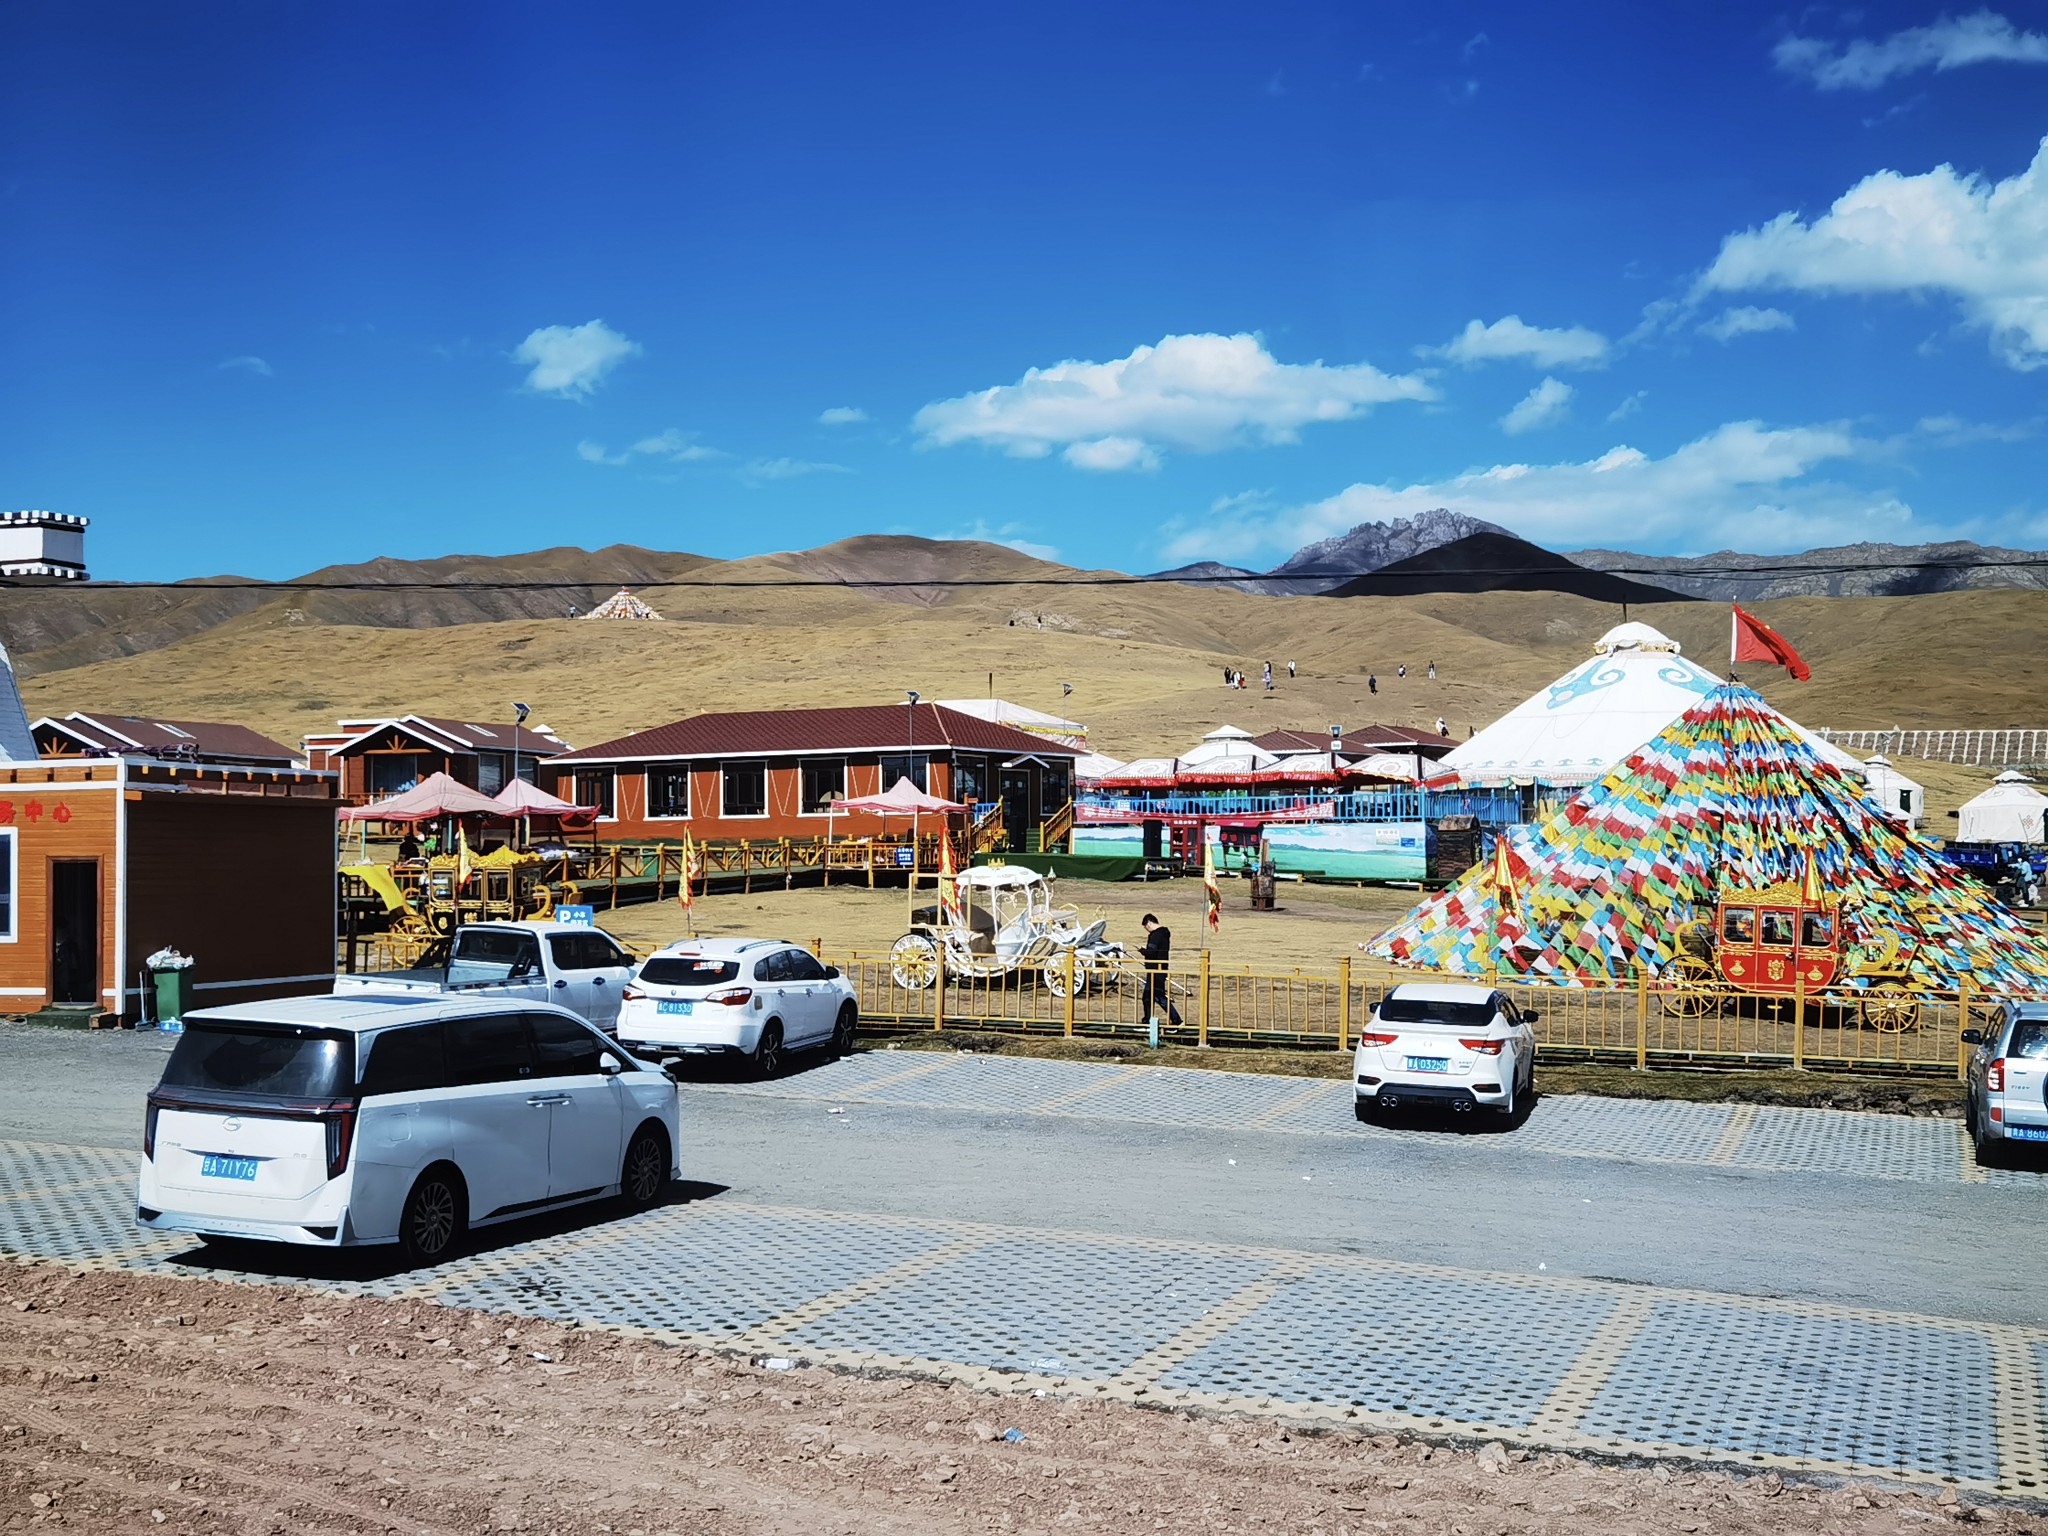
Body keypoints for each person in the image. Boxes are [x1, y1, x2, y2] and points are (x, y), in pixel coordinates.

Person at [1140, 914, 1182, 1027]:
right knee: (1149, 996)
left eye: (1146, 927)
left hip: (1155, 970)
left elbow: (1152, 952)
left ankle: (1176, 1020)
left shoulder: (1155, 935)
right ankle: (1147, 1019)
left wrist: (1143, 951)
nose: (1147, 930)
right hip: (1161, 968)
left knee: (1158, 997)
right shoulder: (1165, 933)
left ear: (1149, 923)